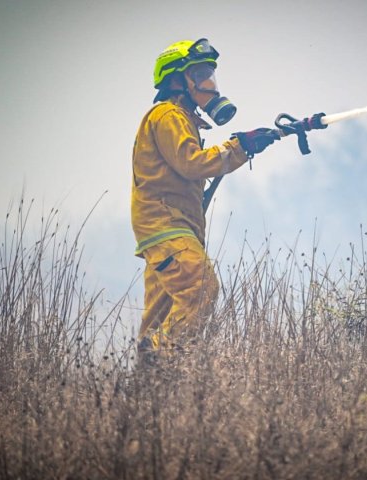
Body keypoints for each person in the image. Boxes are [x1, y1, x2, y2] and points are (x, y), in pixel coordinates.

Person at [131, 38, 280, 355]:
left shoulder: (180, 119)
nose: (210, 84)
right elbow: (192, 163)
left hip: (168, 228)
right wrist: (240, 147)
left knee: (159, 318)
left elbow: (189, 167)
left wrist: (246, 145)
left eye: (210, 74)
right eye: (200, 74)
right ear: (177, 80)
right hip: (167, 225)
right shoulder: (168, 116)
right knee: (200, 290)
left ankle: (146, 392)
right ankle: (162, 357)